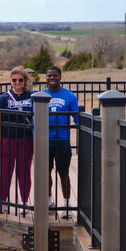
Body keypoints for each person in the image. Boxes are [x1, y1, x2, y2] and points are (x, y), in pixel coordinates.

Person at [0, 67, 34, 214]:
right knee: (5, 172)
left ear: (25, 81)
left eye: (20, 80)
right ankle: (3, 202)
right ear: (10, 81)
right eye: (14, 80)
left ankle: (24, 202)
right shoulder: (4, 98)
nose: (17, 82)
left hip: (26, 139)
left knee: (24, 172)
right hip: (8, 139)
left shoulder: (32, 96)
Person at [43, 65, 79, 213]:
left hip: (63, 140)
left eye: (55, 75)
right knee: (46, 173)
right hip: (45, 141)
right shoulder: (40, 96)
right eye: (49, 76)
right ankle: (49, 201)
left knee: (63, 173)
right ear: (46, 78)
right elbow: (34, 121)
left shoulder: (69, 96)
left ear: (60, 77)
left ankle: (66, 203)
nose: (52, 78)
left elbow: (77, 118)